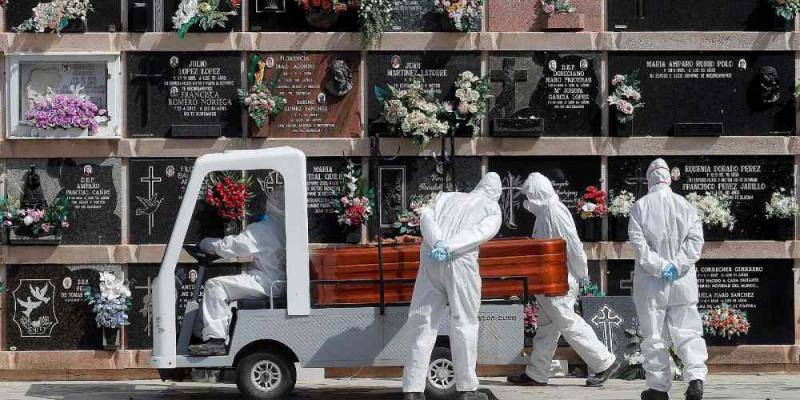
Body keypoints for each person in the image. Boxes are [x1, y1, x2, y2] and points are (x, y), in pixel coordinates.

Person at [507, 173, 619, 387]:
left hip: (560, 280)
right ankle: (537, 373)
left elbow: (571, 245)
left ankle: (604, 361)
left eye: (529, 195)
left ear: (537, 194)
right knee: (547, 327)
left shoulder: (554, 211)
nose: (527, 201)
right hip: (550, 280)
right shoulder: (545, 212)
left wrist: (580, 272)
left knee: (567, 322)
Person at [401, 173, 503, 400]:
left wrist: (437, 241)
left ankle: (413, 389)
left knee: (422, 322)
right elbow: (480, 233)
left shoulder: (447, 197)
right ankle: (467, 388)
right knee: (464, 322)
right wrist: (451, 246)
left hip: (431, 258)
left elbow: (426, 217)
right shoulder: (492, 209)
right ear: (496, 194)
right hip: (460, 262)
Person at [629, 159, 707, 400]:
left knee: (654, 335)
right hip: (682, 281)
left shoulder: (640, 207)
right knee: (688, 331)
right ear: (669, 179)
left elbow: (640, 247)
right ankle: (695, 379)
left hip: (652, 283)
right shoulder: (686, 206)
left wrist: (661, 267)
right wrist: (676, 265)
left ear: (649, 179)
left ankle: (659, 388)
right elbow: (695, 244)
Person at [188, 189, 287, 356]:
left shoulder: (264, 229)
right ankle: (203, 334)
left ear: (270, 205)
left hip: (266, 282)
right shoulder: (286, 226)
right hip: (279, 281)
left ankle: (216, 340)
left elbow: (229, 247)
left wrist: (205, 243)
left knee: (215, 286)